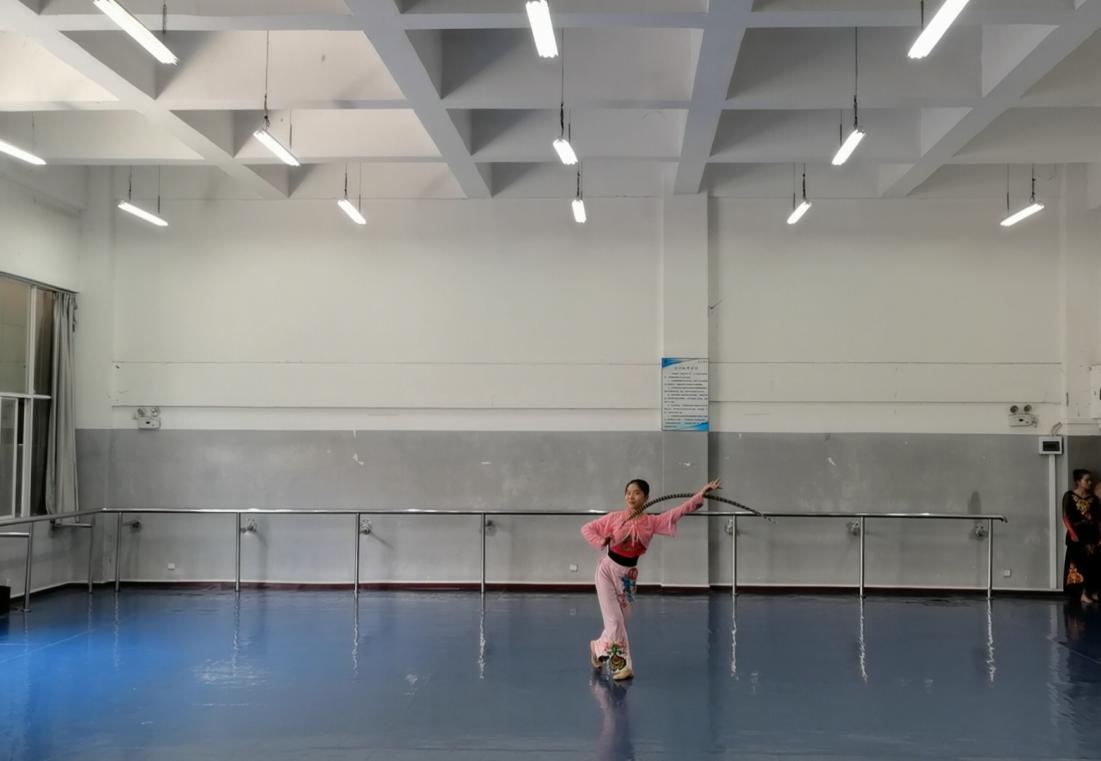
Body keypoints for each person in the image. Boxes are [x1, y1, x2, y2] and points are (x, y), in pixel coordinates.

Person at [581, 477, 720, 680]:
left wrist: (700, 494)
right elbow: (587, 528)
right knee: (614, 622)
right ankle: (622, 666)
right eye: (628, 493)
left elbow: (678, 512)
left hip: (628, 576)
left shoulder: (652, 522)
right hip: (606, 572)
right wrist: (602, 540)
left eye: (636, 493)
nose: (631, 496)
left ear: (646, 497)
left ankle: (597, 647)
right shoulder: (614, 518)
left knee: (621, 621)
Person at [1063, 469, 1098, 605]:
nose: (1089, 483)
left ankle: (1091, 592)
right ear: (1078, 481)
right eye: (1086, 480)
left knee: (1091, 564)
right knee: (1078, 563)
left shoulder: (1094, 499)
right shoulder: (1069, 496)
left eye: (1090, 480)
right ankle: (1081, 594)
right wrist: (1072, 534)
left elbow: (1098, 519)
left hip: (1091, 534)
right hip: (1077, 533)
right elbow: (1065, 517)